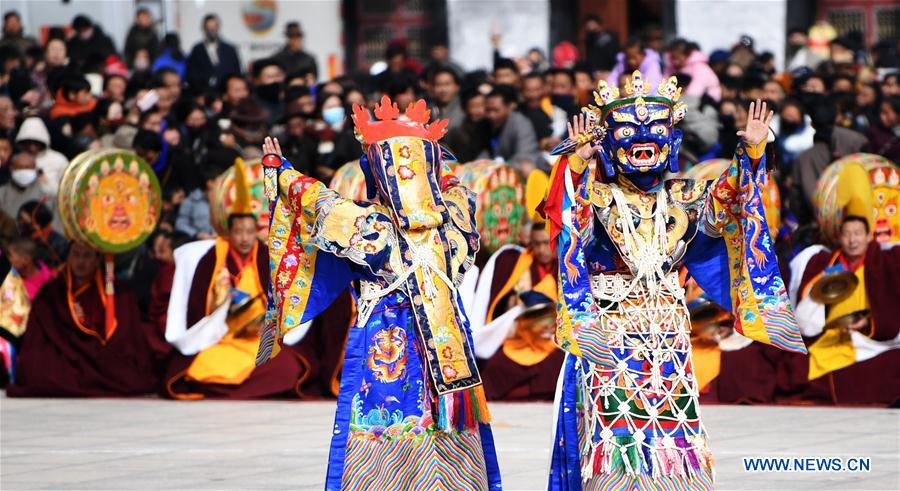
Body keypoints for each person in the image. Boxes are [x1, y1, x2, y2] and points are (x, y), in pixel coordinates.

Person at [544, 74, 806, 487]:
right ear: (608, 143)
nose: (643, 141)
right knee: (615, 434)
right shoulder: (595, 196)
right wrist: (575, 165)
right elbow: (563, 218)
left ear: (673, 141)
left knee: (674, 429)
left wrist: (752, 151)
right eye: (627, 132)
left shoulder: (686, 196)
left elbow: (731, 197)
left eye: (656, 130)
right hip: (609, 331)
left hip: (667, 330)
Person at [258, 95, 501, 488]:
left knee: (387, 421)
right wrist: (443, 171)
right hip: (446, 342)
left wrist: (281, 171)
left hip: (387, 344)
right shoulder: (451, 224)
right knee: (442, 424)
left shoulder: (370, 227)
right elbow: (460, 193)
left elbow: (317, 202)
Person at [163, 161, 308, 399]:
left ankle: (241, 386)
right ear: (229, 233)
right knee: (201, 367)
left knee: (288, 366)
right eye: (238, 232)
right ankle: (242, 386)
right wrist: (221, 303)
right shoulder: (213, 259)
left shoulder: (264, 257)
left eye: (249, 232)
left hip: (257, 337)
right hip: (222, 336)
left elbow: (283, 298)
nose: (244, 238)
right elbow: (198, 305)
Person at [7, 241, 158, 397]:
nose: (81, 262)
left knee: (130, 376)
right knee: (37, 373)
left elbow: (125, 334)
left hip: (98, 352)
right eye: (76, 255)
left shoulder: (117, 292)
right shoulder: (52, 291)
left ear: (97, 260)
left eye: (87, 256)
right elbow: (38, 335)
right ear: (69, 258)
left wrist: (87, 322)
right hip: (64, 352)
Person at [787, 216, 900, 406]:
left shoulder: (881, 264)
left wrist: (866, 324)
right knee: (799, 366)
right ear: (839, 238)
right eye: (847, 234)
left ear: (868, 237)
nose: (852, 240)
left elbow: (889, 310)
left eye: (857, 234)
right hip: (834, 335)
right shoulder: (831, 266)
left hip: (870, 339)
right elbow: (806, 321)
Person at [471, 222, 563, 400]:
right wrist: (516, 303)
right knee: (494, 367)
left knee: (559, 362)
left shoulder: (565, 265)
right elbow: (504, 307)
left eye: (546, 243)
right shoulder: (521, 265)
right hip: (522, 337)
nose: (542, 249)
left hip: (552, 339)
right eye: (536, 244)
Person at [485, 86, 542, 173]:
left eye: (496, 110)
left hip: (523, 169)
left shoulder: (521, 123)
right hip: (495, 168)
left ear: (510, 107)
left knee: (525, 167)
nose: (491, 115)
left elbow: (524, 155)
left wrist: (497, 169)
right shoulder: (486, 123)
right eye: (488, 110)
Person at [185, 14, 241, 92]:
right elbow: (192, 74)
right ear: (204, 29)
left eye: (214, 27)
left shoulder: (230, 49)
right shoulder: (197, 49)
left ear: (218, 27)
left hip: (226, 92)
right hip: (205, 92)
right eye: (209, 28)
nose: (211, 30)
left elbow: (237, 72)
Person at [14, 117, 68, 196]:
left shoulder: (59, 159)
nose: (32, 147)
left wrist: (44, 182)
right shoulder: (16, 159)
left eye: (36, 143)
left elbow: (65, 190)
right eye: (28, 142)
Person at [444, 89, 491, 163]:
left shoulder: (492, 126)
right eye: (474, 106)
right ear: (464, 109)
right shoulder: (458, 132)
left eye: (481, 105)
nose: (479, 110)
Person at [0, 154, 48, 225]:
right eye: (19, 167)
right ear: (11, 169)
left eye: (28, 167)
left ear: (35, 169)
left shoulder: (48, 194)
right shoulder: (1, 192)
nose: (24, 171)